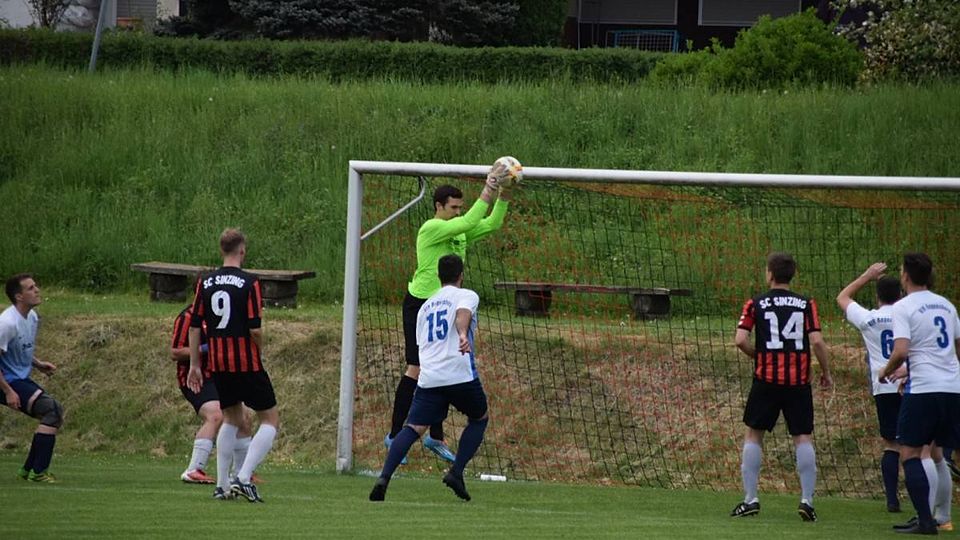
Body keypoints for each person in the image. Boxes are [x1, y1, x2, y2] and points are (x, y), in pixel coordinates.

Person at [386, 161, 515, 464]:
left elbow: (490, 224)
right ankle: (394, 435)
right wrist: (489, 187)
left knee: (442, 367)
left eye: (460, 208)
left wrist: (505, 195)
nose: (458, 212)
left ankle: (435, 436)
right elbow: (470, 221)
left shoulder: (459, 232)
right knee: (417, 369)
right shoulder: (431, 228)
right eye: (453, 207)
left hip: (446, 307)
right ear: (438, 206)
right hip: (420, 305)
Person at [370, 254, 489, 502]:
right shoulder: (466, 295)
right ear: (461, 275)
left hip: (430, 377)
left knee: (413, 428)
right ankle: (456, 472)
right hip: (458, 373)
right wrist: (462, 334)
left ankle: (384, 478)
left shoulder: (425, 307)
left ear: (438, 276)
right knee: (479, 418)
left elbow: (421, 344)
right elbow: (462, 314)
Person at [730, 252, 832, 522]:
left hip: (766, 379)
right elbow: (817, 342)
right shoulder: (806, 303)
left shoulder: (756, 303)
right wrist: (826, 372)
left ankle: (750, 499)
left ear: (770, 274)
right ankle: (807, 501)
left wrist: (758, 355)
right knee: (803, 436)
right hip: (798, 382)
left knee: (754, 435)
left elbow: (740, 340)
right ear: (792, 275)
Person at [187, 228, 278, 503]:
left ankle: (223, 485)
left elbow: (194, 325)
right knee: (270, 419)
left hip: (218, 363)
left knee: (231, 418)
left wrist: (195, 364)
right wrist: (260, 348)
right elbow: (254, 328)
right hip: (245, 362)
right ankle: (243, 477)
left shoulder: (205, 282)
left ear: (221, 250)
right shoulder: (250, 282)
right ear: (242, 250)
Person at [880, 252, 960, 534]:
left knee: (911, 453)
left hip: (925, 389)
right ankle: (942, 516)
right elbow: (956, 349)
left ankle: (925, 520)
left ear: (905, 275)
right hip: (952, 388)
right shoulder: (947, 305)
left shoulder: (903, 307)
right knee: (938, 453)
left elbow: (901, 350)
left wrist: (886, 370)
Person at [836, 262, 904, 512]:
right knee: (918, 447)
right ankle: (925, 502)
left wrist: (867, 275)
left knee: (891, 445)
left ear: (877, 296)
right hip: (911, 384)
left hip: (884, 387)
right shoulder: (908, 317)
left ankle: (892, 500)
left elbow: (842, 297)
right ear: (901, 295)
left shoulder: (868, 319)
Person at [170, 304, 256, 484]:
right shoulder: (188, 318)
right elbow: (175, 352)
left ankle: (241, 474)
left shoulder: (223, 316)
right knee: (216, 415)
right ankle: (193, 469)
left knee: (244, 418)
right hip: (196, 378)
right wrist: (204, 348)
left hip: (221, 375)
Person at [1, 274, 63, 483]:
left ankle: (28, 470)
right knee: (52, 411)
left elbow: (17, 349)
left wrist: (38, 364)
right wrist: (8, 391)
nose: (37, 290)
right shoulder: (7, 323)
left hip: (16, 379)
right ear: (19, 296)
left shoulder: (32, 317)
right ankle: (38, 472)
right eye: (30, 288)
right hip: (6, 381)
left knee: (52, 412)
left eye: (35, 286)